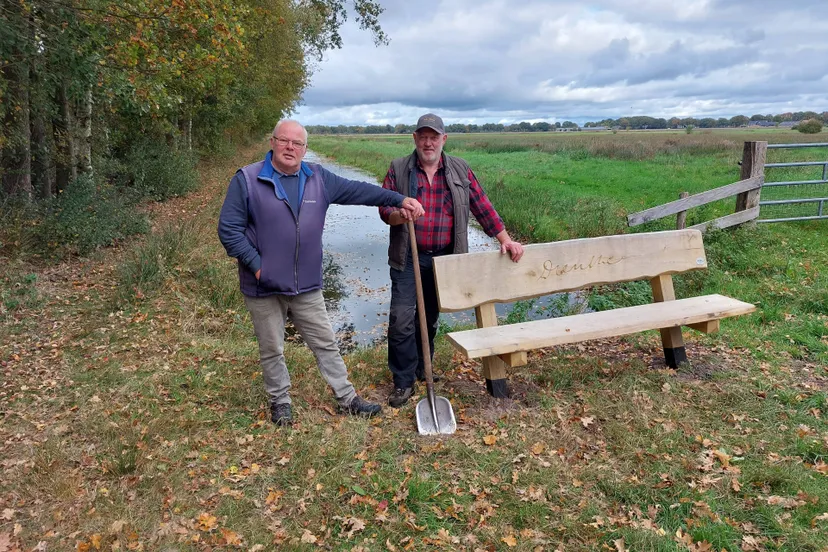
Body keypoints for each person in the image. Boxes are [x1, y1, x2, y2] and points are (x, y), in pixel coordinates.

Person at [218, 119, 425, 426]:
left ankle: (347, 398)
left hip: (306, 284)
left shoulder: (317, 178)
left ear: (305, 149)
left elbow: (358, 191)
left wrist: (398, 199)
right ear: (272, 142)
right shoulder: (247, 179)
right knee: (272, 347)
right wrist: (258, 267)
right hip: (262, 287)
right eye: (284, 141)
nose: (291, 148)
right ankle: (280, 401)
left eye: (297, 143)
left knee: (325, 342)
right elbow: (229, 230)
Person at [379, 113, 524, 408]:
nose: (428, 142)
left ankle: (423, 367)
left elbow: (482, 207)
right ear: (415, 139)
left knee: (429, 318)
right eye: (423, 136)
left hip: (446, 258)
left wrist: (505, 240)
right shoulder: (398, 169)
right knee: (402, 319)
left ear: (444, 139)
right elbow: (384, 209)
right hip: (409, 258)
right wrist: (399, 214)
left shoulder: (460, 169)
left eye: (434, 137)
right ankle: (403, 381)